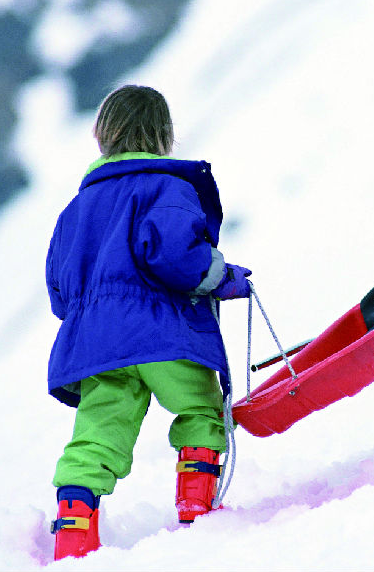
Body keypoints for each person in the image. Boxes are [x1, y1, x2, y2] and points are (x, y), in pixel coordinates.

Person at [44, 84, 252, 559]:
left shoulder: (75, 209)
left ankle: (73, 534)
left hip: (99, 348)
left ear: (102, 136)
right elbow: (177, 257)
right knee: (200, 410)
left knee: (98, 430)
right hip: (167, 337)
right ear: (164, 136)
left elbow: (60, 292)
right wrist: (222, 277)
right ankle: (196, 510)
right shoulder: (167, 187)